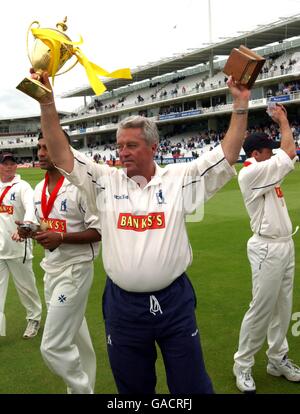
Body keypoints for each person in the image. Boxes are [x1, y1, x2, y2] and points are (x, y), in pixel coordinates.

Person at [31, 69, 251, 394]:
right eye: (120, 146)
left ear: (153, 147)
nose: (123, 152)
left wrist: (241, 104)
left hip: (174, 302)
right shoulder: (104, 181)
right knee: (133, 390)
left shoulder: (179, 179)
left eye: (132, 145)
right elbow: (62, 154)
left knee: (191, 387)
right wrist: (47, 103)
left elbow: (226, 155)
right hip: (123, 306)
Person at [16, 133, 101, 394]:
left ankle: (81, 390)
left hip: (75, 270)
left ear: (63, 149)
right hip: (51, 269)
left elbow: (99, 232)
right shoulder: (40, 189)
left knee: (51, 346)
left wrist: (60, 237)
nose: (41, 153)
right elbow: (44, 224)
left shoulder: (80, 186)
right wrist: (30, 230)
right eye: (39, 147)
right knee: (77, 336)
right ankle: (87, 384)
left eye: (47, 147)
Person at [233, 104, 300, 393]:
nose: (273, 152)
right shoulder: (251, 174)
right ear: (257, 153)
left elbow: (286, 157)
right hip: (267, 249)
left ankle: (277, 359)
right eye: (268, 150)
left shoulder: (264, 170)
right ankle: (243, 365)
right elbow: (290, 154)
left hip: (285, 245)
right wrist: (284, 121)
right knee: (261, 309)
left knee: (282, 307)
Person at [0, 152, 42, 338]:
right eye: (5, 163)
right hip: (0, 250)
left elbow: (31, 207)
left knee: (26, 288)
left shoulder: (22, 187)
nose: (9, 166)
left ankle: (34, 318)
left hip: (18, 248)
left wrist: (24, 228)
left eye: (12, 163)